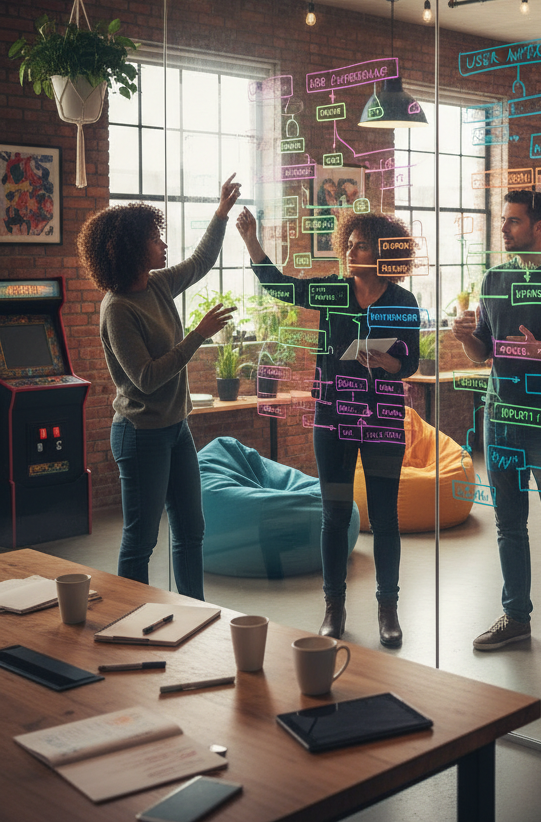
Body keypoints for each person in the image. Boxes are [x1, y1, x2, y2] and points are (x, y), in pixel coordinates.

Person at [236, 206, 419, 647]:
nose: (351, 249)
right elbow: (282, 286)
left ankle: (387, 609)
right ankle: (333, 607)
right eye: (350, 242)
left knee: (385, 517)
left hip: (382, 418)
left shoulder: (403, 301)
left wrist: (388, 361)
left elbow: (410, 361)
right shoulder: (334, 291)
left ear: (381, 253)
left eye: (361, 244)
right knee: (335, 514)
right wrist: (251, 241)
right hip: (334, 418)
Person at [78, 175, 242, 600]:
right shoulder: (118, 309)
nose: (163, 245)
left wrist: (220, 213)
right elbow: (146, 378)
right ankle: (130, 617)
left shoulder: (157, 283)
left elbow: (201, 261)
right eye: (155, 238)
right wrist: (198, 335)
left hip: (176, 429)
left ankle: (196, 612)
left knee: (191, 530)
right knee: (141, 540)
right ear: (132, 248)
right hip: (140, 435)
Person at [452, 190, 541, 668]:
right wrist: (466, 339)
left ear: (540, 227)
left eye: (513, 221)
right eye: (504, 220)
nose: (505, 228)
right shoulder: (495, 278)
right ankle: (515, 617)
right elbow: (484, 355)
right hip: (501, 420)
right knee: (508, 526)